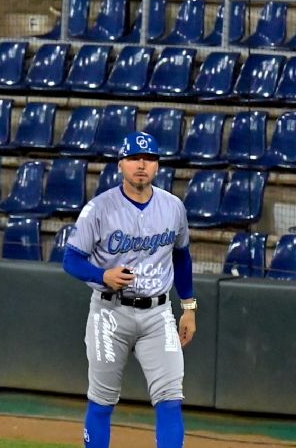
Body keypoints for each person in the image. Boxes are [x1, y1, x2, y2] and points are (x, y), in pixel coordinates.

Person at [62, 131, 198, 448]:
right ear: (121, 164)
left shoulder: (173, 207)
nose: (142, 164)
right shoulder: (98, 209)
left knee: (170, 398)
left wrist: (189, 308)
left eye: (149, 158)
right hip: (110, 314)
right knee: (102, 400)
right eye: (135, 158)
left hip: (159, 314)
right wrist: (101, 274)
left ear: (157, 166)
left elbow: (182, 256)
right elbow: (70, 259)